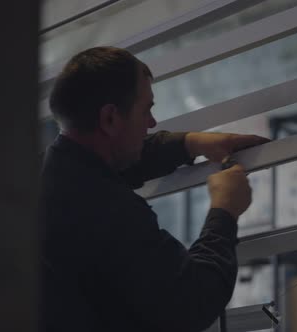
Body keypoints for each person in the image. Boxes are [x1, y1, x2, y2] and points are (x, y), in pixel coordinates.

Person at [39, 46, 268, 332]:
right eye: (146, 110)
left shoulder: (53, 173)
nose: (152, 123)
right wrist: (225, 211)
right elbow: (192, 301)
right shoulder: (111, 214)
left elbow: (116, 161)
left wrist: (190, 144)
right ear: (110, 118)